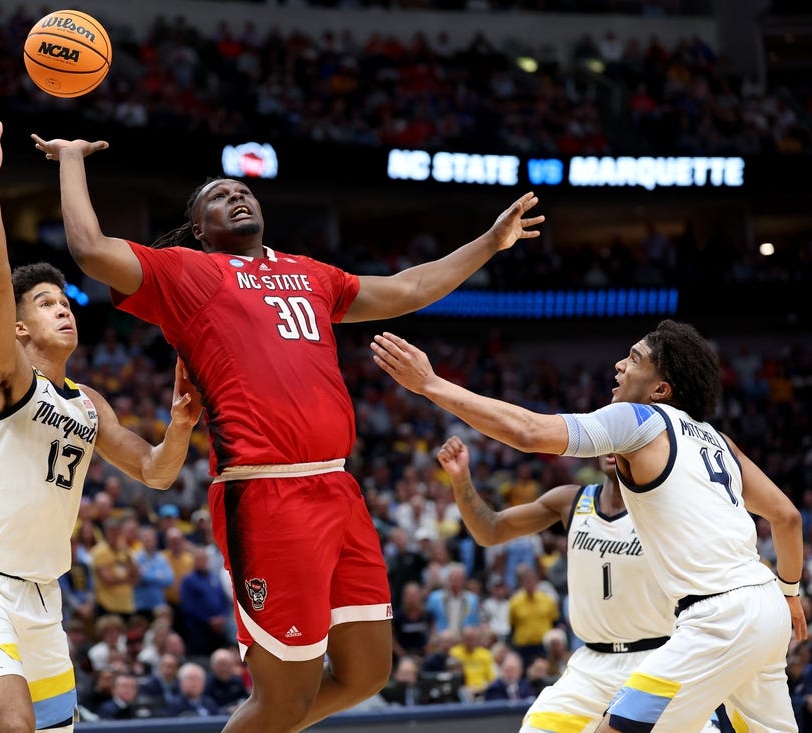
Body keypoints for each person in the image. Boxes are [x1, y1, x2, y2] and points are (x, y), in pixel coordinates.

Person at [32, 124, 543, 733]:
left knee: (367, 673)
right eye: (218, 197)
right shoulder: (189, 274)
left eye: (242, 190)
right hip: (266, 495)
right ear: (200, 228)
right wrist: (69, 160)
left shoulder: (311, 273)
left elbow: (408, 289)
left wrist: (490, 241)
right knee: (283, 697)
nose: (237, 197)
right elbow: (89, 249)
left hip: (337, 489)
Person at [372, 320, 805, 732]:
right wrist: (789, 595)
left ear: (660, 389)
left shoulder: (639, 419)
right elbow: (786, 517)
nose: (619, 365)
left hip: (716, 616)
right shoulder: (717, 440)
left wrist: (430, 384)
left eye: (634, 359)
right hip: (763, 605)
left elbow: (528, 431)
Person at [0, 99, 203, 733]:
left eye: (66, 300)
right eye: (47, 303)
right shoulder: (3, 380)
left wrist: (181, 428)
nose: (64, 310)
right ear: (20, 326)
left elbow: (156, 474)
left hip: (45, 599)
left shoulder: (88, 402)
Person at [438, 436, 724, 732]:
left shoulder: (665, 507)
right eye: (610, 439)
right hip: (591, 666)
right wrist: (461, 480)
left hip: (655, 659)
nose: (614, 447)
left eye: (625, 440)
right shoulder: (571, 500)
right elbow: (491, 531)